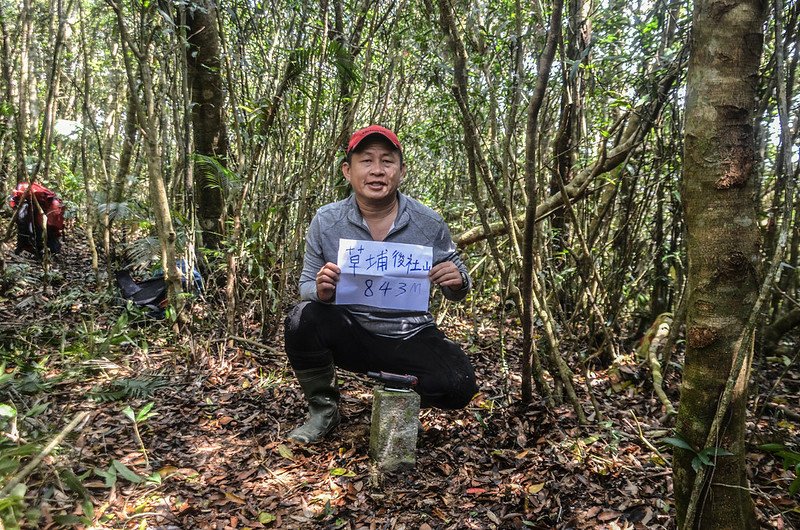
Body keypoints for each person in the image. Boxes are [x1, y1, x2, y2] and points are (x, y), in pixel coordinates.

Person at [284, 124, 479, 444]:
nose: (377, 170)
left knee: (459, 383)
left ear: (401, 171)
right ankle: (324, 410)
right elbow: (306, 283)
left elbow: (458, 283)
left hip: (410, 333)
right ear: (347, 171)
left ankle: (400, 394)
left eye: (387, 161)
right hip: (352, 330)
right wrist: (320, 290)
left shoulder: (428, 222)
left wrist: (457, 282)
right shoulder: (326, 221)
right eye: (366, 161)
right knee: (301, 319)